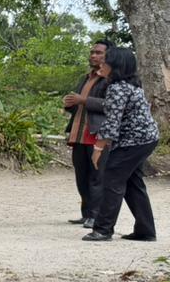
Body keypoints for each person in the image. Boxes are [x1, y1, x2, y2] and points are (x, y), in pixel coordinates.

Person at [83, 47, 158, 243]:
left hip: (134, 141)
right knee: (133, 183)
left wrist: (98, 149)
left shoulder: (117, 88)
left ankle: (103, 229)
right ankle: (145, 230)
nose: (101, 63)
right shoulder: (131, 85)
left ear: (115, 65)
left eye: (105, 61)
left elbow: (111, 122)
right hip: (145, 138)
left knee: (112, 180)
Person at [62, 40, 110, 228]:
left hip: (98, 136)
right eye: (92, 52)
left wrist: (84, 100)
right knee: (81, 176)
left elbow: (111, 106)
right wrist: (71, 104)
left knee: (97, 176)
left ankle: (96, 215)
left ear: (108, 56)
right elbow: (80, 104)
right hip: (79, 133)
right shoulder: (86, 77)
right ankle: (87, 213)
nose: (93, 55)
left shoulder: (110, 79)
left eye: (98, 52)